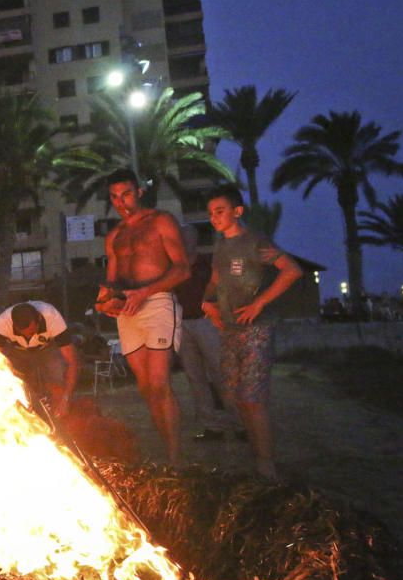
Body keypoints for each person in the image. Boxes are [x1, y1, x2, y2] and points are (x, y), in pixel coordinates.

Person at [202, 185, 302, 480]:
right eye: (210, 213)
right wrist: (207, 302)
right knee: (236, 397)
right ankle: (256, 453)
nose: (213, 218)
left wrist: (260, 302)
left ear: (237, 211)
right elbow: (216, 277)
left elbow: (292, 270)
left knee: (253, 398)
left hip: (256, 330)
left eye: (219, 211)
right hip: (230, 330)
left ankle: (266, 463)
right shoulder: (221, 246)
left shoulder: (255, 242)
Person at [95, 169, 190, 466]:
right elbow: (111, 282)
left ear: (139, 191)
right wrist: (103, 301)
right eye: (114, 197)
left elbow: (182, 269)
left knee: (160, 383)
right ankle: (168, 451)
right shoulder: (114, 236)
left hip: (158, 302)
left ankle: (176, 460)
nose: (120, 201)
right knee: (146, 388)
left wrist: (146, 292)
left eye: (125, 194)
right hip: (128, 311)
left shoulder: (161, 221)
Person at [175, 224, 239, 441]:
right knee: (195, 377)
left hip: (207, 322)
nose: (186, 241)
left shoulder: (207, 262)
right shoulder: (176, 266)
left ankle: (240, 423)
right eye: (182, 237)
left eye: (190, 237)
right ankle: (211, 426)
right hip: (183, 324)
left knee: (221, 373)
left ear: (196, 240)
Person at [0, 301, 80, 422]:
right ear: (14, 326)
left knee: (57, 372)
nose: (29, 337)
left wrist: (66, 399)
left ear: (39, 319)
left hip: (47, 347)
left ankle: (61, 415)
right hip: (16, 350)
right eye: (24, 334)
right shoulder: (2, 323)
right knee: (14, 380)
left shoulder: (52, 317)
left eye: (32, 332)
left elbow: (71, 361)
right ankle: (21, 418)